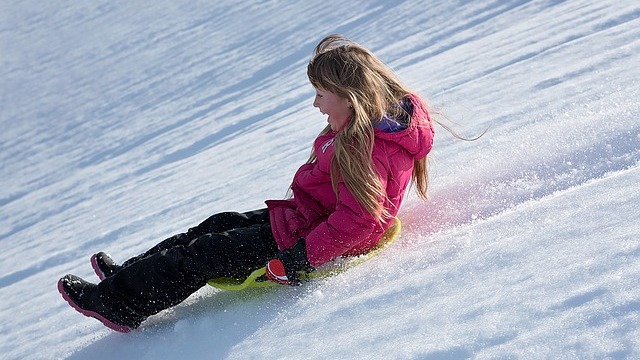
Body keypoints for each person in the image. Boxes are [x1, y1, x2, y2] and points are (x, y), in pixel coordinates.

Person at [58, 34, 435, 332]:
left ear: (351, 99)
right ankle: (129, 273)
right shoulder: (368, 129)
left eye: (321, 94)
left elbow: (360, 221)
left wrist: (300, 259)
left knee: (203, 254)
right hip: (306, 219)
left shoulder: (365, 147)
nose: (316, 104)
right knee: (216, 225)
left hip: (305, 240)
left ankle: (117, 304)